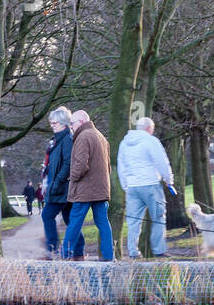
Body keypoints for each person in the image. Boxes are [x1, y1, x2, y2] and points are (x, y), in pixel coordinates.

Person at [116, 116, 175, 259]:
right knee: (158, 217)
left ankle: (133, 251)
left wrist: (126, 185)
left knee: (133, 221)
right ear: (150, 129)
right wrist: (169, 180)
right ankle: (159, 250)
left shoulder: (124, 143)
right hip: (150, 184)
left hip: (132, 186)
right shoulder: (151, 141)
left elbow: (121, 165)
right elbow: (161, 162)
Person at [62, 110, 114, 261]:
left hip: (85, 190)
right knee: (103, 223)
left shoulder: (83, 137)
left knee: (75, 222)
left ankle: (65, 255)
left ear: (81, 122)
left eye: (72, 123)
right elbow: (108, 167)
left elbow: (80, 165)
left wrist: (71, 178)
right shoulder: (101, 136)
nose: (71, 127)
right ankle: (108, 257)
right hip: (101, 189)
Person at [41, 107, 82, 259]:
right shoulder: (56, 140)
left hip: (62, 188)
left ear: (64, 123)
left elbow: (68, 164)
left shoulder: (67, 140)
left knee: (47, 215)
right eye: (51, 122)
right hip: (59, 187)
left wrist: (57, 183)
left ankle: (52, 249)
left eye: (55, 122)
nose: (52, 124)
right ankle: (78, 252)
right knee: (70, 219)